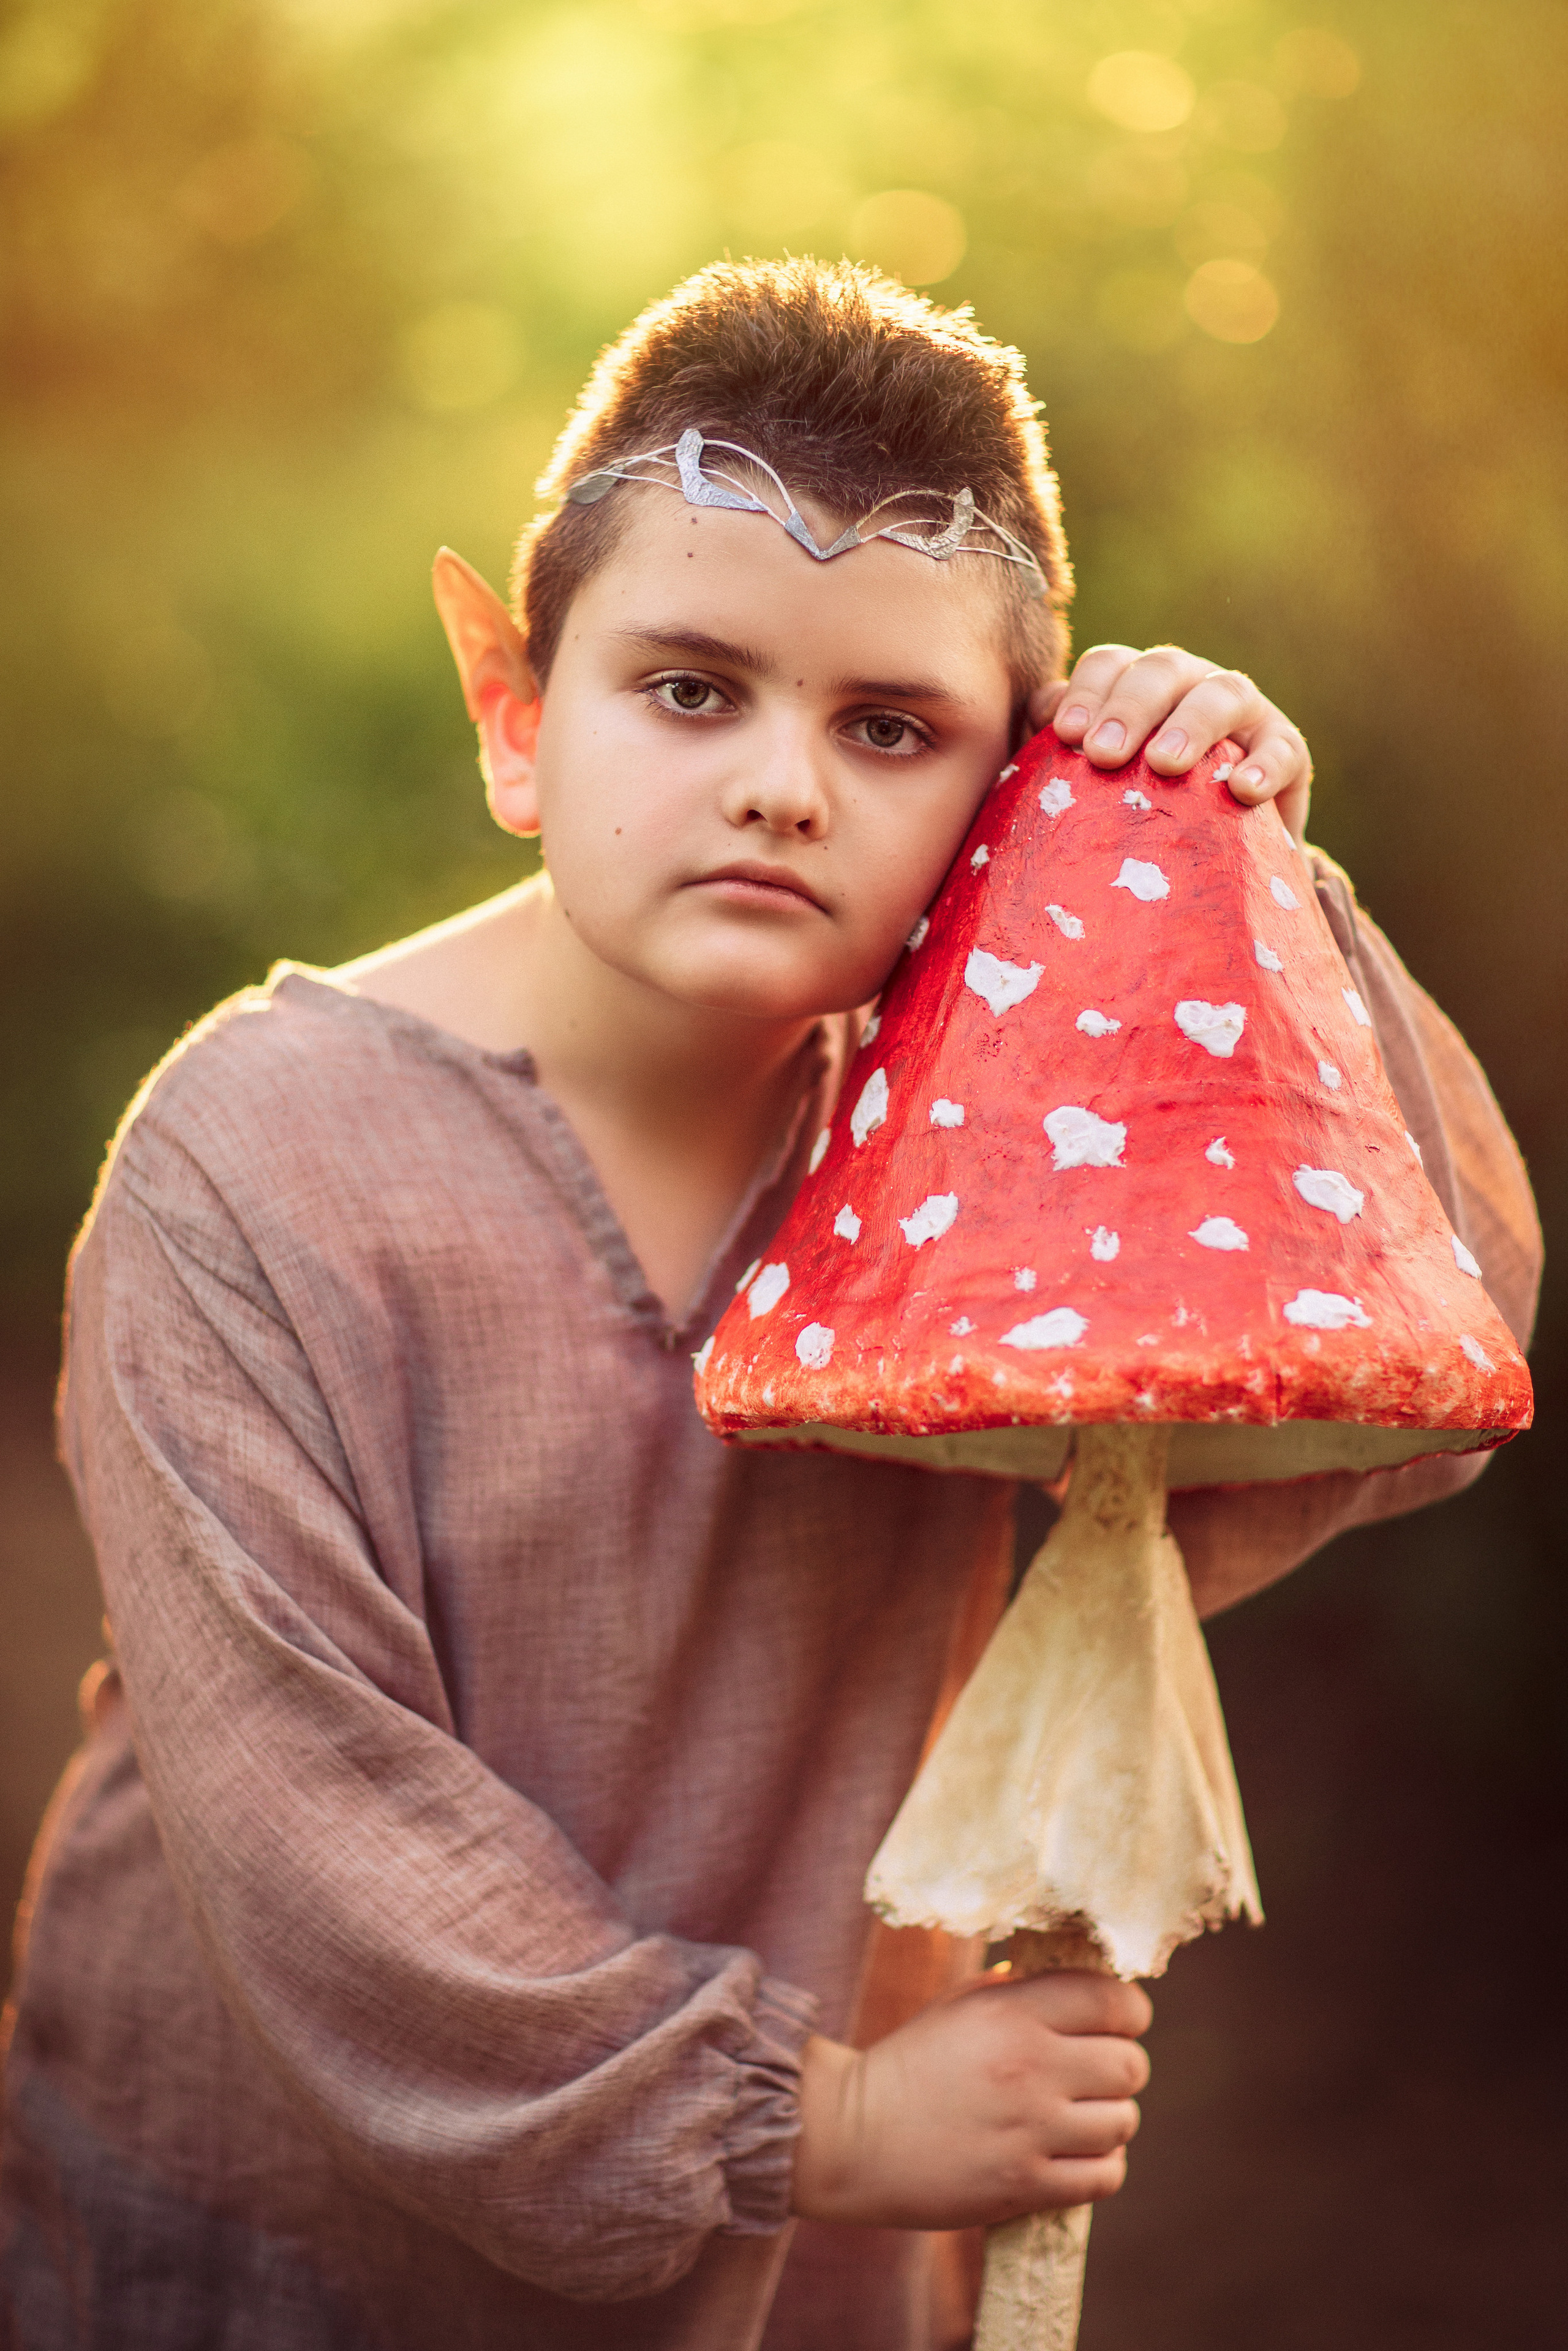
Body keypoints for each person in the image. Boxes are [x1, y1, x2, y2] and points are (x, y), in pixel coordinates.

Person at [0, 260, 1541, 2351]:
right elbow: (313, 1823)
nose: (786, 786)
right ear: (515, 712)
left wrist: (1222, 859)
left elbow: (1422, 1345)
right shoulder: (248, 1165)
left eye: (893, 729)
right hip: (285, 2247)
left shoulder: (998, 1177)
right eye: (693, 688)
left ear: (1009, 798)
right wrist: (808, 2123)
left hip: (798, 2259)